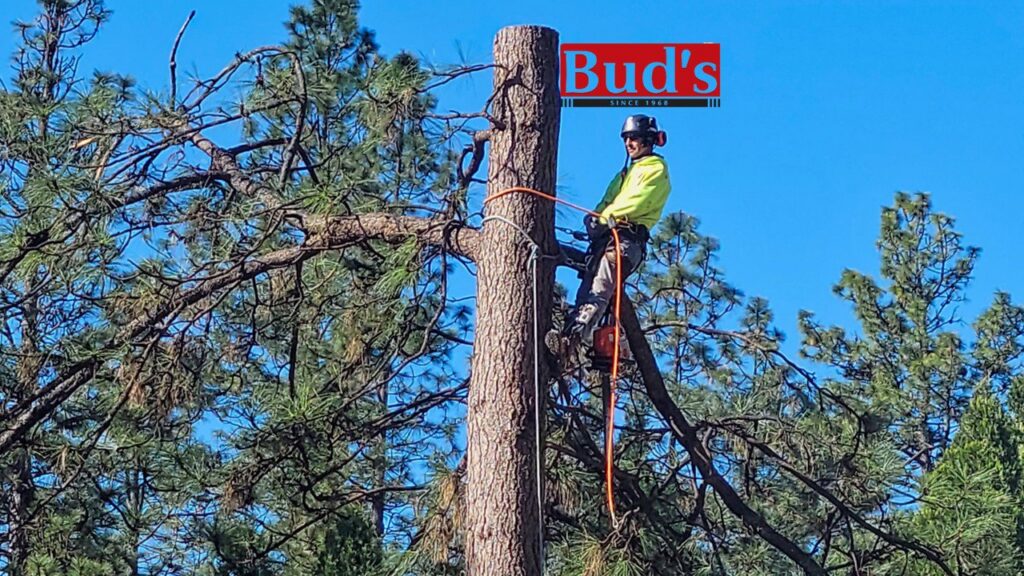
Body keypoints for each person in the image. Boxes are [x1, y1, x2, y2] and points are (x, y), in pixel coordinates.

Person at [564, 113, 672, 345]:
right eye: (626, 139)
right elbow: (608, 201)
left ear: (648, 140)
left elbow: (638, 200)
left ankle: (574, 337)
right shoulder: (625, 174)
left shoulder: (655, 168)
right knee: (587, 291)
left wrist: (605, 218)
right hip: (608, 241)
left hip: (626, 241)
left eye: (633, 138)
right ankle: (567, 339)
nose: (628, 144)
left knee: (600, 287)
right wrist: (594, 219)